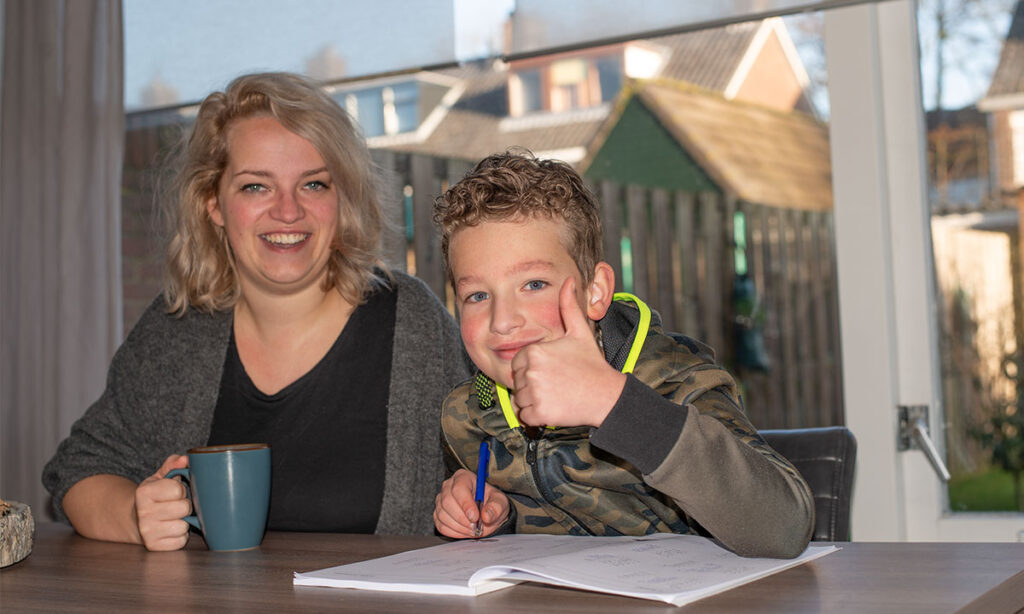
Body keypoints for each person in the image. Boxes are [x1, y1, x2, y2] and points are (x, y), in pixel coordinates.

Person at [43, 72, 472, 551]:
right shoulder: (176, 329)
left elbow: (500, 458)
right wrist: (134, 515)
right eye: (255, 187)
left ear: (342, 198)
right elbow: (79, 470)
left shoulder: (413, 323)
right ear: (214, 204)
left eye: (313, 184)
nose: (287, 212)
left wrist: (485, 500)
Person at [430, 150, 814, 559]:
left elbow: (786, 528)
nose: (502, 320)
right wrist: (494, 517)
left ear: (594, 292)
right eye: (477, 295)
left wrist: (614, 404)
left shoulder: (677, 380)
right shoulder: (468, 415)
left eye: (534, 284)